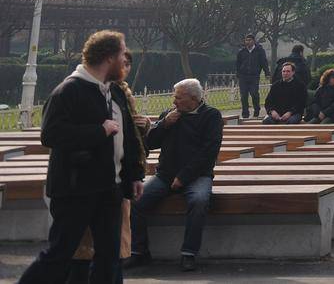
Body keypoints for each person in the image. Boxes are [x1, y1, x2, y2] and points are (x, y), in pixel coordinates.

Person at [17, 30, 143, 284]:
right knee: (60, 254)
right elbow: (51, 135)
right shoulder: (68, 91)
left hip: (110, 188)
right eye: (121, 53)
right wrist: (99, 131)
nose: (125, 59)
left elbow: (128, 137)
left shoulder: (113, 91)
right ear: (109, 58)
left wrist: (134, 175)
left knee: (109, 257)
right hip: (76, 189)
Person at [127, 79, 223, 272]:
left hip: (197, 176)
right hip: (165, 175)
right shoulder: (170, 116)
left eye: (178, 97)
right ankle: (139, 251)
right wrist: (164, 124)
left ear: (193, 98)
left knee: (199, 201)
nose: (174, 101)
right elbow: (150, 143)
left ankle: (189, 253)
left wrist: (183, 177)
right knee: (135, 201)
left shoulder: (211, 116)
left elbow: (208, 153)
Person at [234, 34, 269, 120]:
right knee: (244, 95)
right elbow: (238, 64)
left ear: (253, 41)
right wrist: (238, 73)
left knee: (254, 93)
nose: (248, 42)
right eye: (246, 40)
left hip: (254, 76)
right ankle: (245, 113)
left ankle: (256, 110)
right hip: (243, 76)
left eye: (250, 40)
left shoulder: (259, 51)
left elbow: (264, 62)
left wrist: (267, 72)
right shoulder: (241, 52)